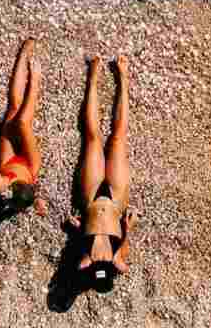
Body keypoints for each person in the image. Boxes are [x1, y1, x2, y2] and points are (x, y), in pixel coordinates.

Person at [65, 54, 135, 285]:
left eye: (97, 265)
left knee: (93, 138)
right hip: (116, 200)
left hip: (91, 198)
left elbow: (80, 263)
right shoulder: (118, 256)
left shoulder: (85, 257)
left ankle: (93, 77)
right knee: (117, 139)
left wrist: (77, 232)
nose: (100, 260)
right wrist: (126, 234)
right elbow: (123, 267)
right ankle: (124, 77)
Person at [0, 37, 47, 215]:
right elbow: (28, 196)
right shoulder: (25, 184)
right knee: (22, 123)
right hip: (28, 165)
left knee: (14, 106)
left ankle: (23, 55)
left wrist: (0, 181)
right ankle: (35, 80)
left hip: (8, 163)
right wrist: (38, 203)